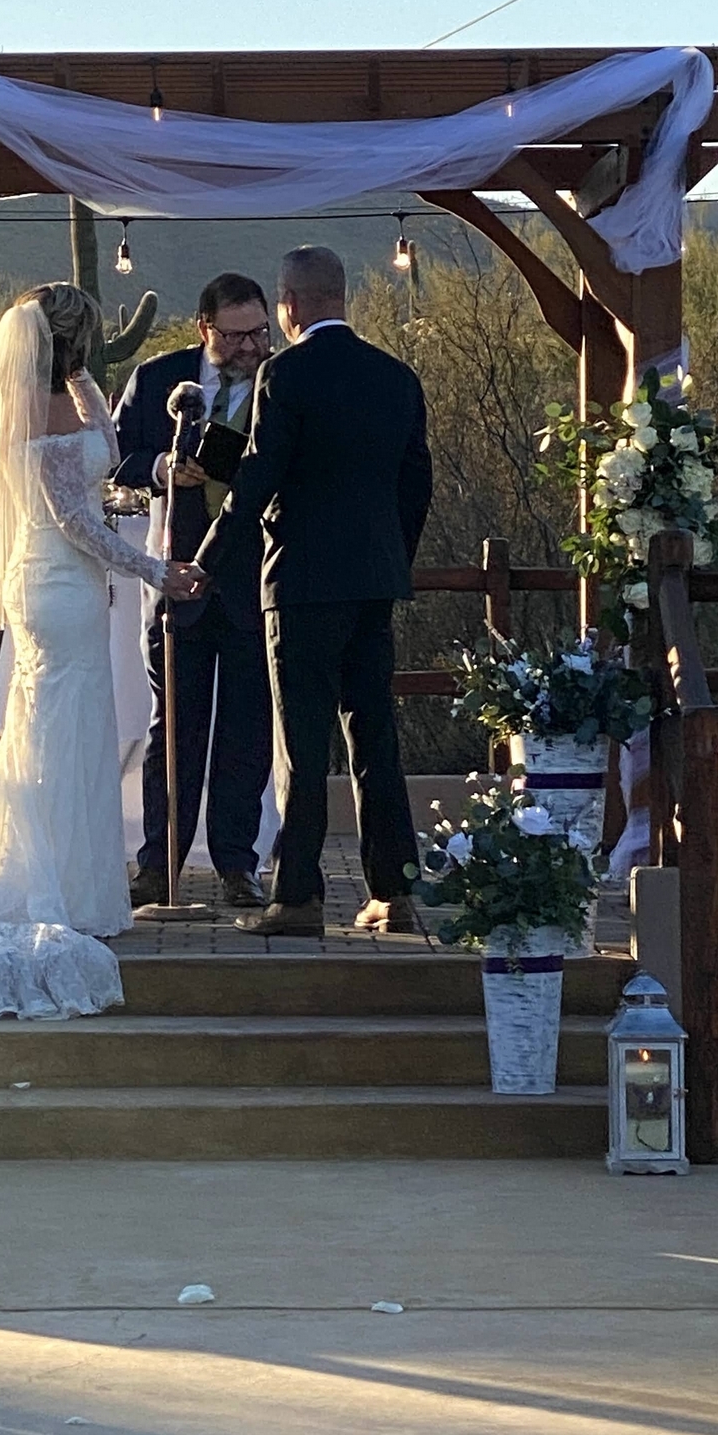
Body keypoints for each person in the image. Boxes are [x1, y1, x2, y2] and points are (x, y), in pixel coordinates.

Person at [0, 285, 203, 1022]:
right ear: (74, 342)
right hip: (60, 585)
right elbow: (78, 523)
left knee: (66, 730)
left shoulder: (42, 400)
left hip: (57, 582)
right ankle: (48, 884)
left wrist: (82, 371)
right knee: (58, 733)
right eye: (85, 343)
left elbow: (107, 461)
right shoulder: (43, 411)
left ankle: (78, 886)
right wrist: (157, 570)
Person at [194, 245, 433, 938]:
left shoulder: (284, 376)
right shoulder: (395, 377)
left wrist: (209, 561)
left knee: (301, 742)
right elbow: (416, 483)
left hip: (299, 583)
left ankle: (297, 896)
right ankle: (395, 892)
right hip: (373, 585)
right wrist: (392, 559)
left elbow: (258, 478)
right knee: (375, 739)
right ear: (343, 296)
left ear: (290, 304)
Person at [112, 274, 272, 908]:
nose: (249, 348)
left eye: (259, 333)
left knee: (246, 728)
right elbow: (117, 454)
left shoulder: (280, 381)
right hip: (176, 576)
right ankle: (160, 863)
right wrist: (162, 468)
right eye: (234, 336)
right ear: (205, 328)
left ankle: (238, 864)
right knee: (171, 726)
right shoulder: (158, 379)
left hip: (254, 576)